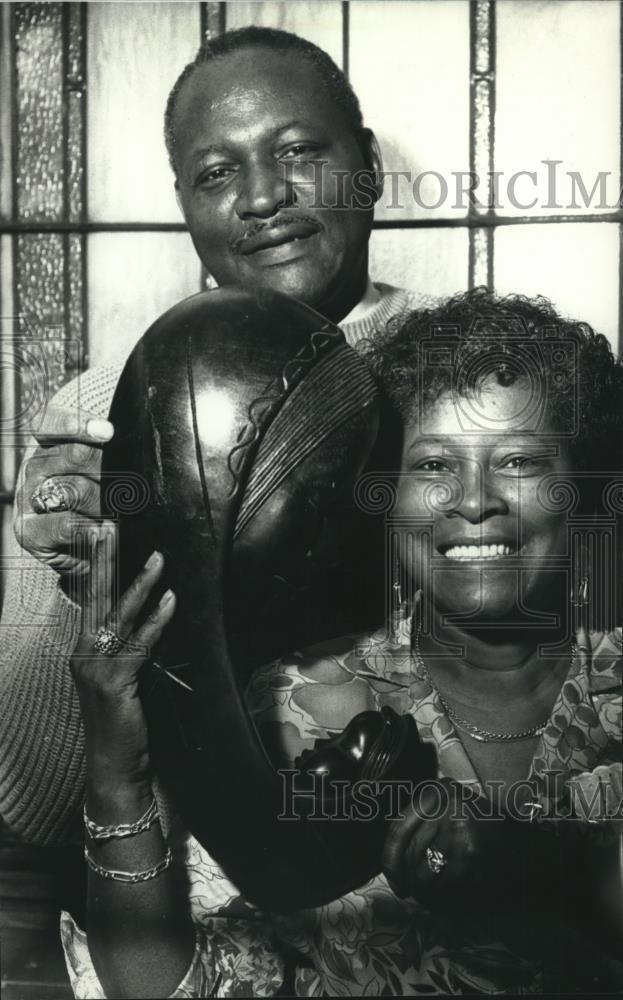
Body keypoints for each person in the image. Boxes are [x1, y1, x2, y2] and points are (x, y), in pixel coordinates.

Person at [61, 289, 622, 997]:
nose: (474, 500)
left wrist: (548, 872)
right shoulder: (288, 710)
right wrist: (118, 769)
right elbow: (165, 986)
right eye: (431, 466)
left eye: (518, 460)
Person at [0, 26, 428, 844]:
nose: (262, 196)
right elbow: (34, 802)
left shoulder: (474, 380)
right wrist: (81, 591)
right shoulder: (100, 409)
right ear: (185, 205)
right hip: (190, 915)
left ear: (367, 166)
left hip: (446, 897)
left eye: (299, 150)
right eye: (216, 173)